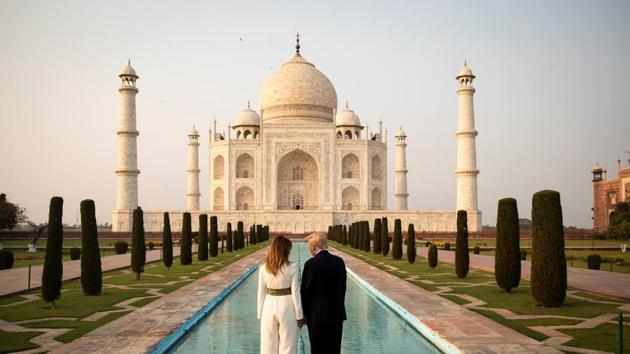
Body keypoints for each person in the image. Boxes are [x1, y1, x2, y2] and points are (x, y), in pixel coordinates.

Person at [300, 232, 347, 354]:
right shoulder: (339, 262)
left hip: (317, 317)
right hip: (336, 315)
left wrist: (303, 314)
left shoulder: (311, 264)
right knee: (334, 350)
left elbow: (306, 292)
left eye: (310, 246)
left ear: (314, 247)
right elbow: (343, 288)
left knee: (317, 350)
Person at [258, 236, 305, 354]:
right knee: (288, 346)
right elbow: (295, 292)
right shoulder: (292, 267)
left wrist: (260, 314)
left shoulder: (263, 268)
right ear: (286, 250)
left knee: (268, 347)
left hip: (268, 306)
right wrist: (299, 315)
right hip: (287, 307)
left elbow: (261, 292)